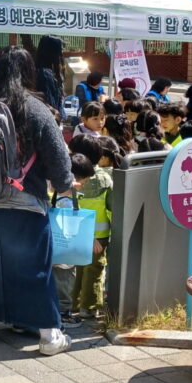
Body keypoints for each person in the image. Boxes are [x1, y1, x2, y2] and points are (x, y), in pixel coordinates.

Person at [0, 46, 74, 357]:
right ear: (28, 73)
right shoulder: (33, 108)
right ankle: (49, 335)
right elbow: (58, 161)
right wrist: (65, 186)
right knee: (32, 267)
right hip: (25, 200)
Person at [68, 134, 113, 322]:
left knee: (76, 268)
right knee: (94, 270)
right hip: (99, 234)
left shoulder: (68, 177)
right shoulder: (105, 179)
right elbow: (111, 207)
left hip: (73, 233)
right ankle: (90, 306)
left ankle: (73, 303)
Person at [56, 152, 96, 329]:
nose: (83, 186)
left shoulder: (51, 189)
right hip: (64, 251)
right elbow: (72, 225)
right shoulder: (68, 197)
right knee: (64, 282)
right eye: (85, 182)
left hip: (49, 246)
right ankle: (63, 314)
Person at [34, 36, 65, 115]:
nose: (62, 53)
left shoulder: (41, 72)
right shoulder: (44, 74)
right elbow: (50, 103)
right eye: (60, 50)